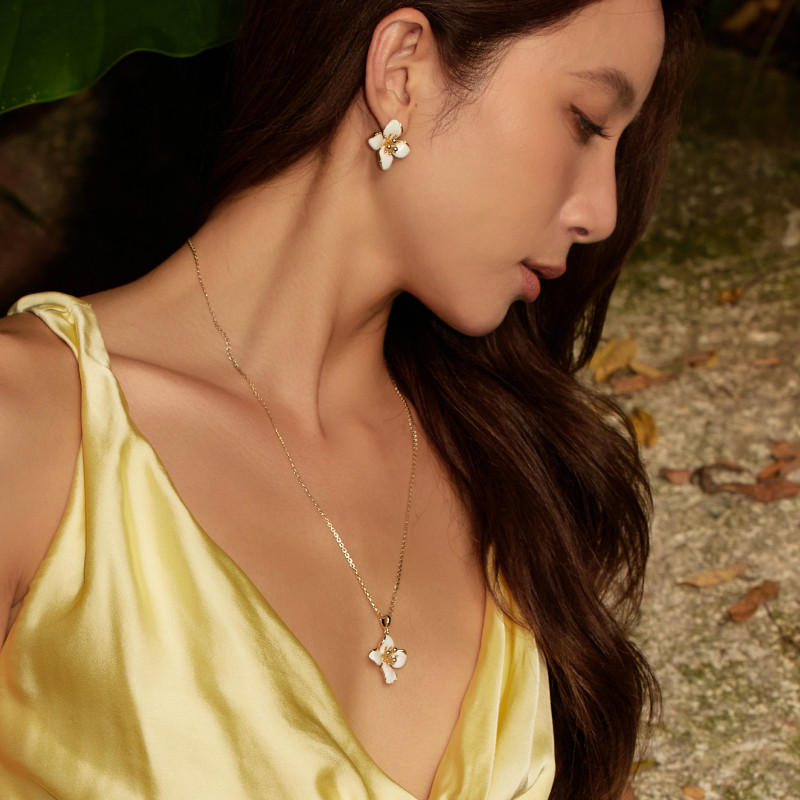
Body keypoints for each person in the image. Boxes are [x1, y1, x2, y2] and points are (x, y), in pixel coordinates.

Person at [0, 0, 698, 797]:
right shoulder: (31, 431)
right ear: (402, 69)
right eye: (586, 122)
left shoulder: (505, 477)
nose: (603, 212)